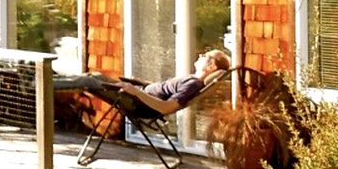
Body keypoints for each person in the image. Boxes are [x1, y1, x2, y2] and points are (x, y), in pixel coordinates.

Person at [55, 49, 231, 116]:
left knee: (89, 80)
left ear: (211, 65)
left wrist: (136, 91)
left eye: (205, 56)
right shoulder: (191, 80)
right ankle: (49, 80)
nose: (200, 55)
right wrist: (139, 85)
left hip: (137, 103)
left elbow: (166, 108)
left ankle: (44, 83)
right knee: (93, 76)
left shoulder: (192, 85)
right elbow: (161, 91)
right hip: (137, 93)